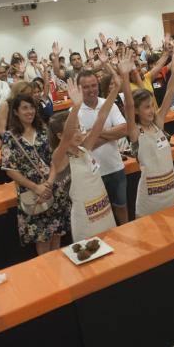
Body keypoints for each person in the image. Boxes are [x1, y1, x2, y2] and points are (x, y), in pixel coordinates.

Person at [50, 78, 120, 241]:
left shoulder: (85, 147)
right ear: (60, 135)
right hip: (85, 221)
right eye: (74, 129)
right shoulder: (59, 158)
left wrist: (116, 89)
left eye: (79, 128)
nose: (78, 132)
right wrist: (76, 106)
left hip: (105, 212)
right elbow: (67, 136)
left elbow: (102, 117)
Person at [1, 95, 70, 254]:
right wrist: (36, 187)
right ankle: (48, 276)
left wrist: (48, 184)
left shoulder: (44, 130)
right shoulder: (10, 137)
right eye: (25, 108)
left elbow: (55, 159)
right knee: (42, 238)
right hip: (31, 193)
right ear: (16, 112)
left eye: (32, 107)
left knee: (56, 234)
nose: (30, 111)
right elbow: (10, 169)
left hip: (53, 189)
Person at [119, 45, 174, 217]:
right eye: (147, 107)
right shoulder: (135, 132)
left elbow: (170, 89)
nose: (152, 110)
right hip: (150, 201)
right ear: (137, 111)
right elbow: (128, 104)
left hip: (171, 194)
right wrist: (124, 74)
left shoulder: (158, 123)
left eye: (152, 106)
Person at [76, 70, 129, 226]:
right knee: (98, 216)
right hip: (91, 175)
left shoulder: (108, 104)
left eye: (94, 85)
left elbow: (124, 130)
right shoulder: (74, 112)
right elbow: (83, 146)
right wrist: (110, 134)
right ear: (79, 89)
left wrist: (93, 133)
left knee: (122, 208)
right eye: (86, 87)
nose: (91, 90)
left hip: (115, 168)